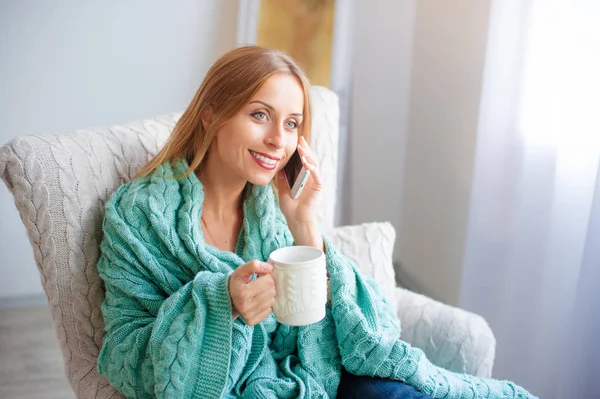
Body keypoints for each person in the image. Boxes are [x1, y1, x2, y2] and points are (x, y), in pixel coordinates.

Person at [96, 45, 537, 399]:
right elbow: (123, 355)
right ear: (211, 113)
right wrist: (221, 303)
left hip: (316, 380)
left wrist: (305, 224)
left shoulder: (274, 208)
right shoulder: (137, 216)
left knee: (404, 393)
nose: (278, 140)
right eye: (260, 115)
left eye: (292, 124)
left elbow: (370, 329)